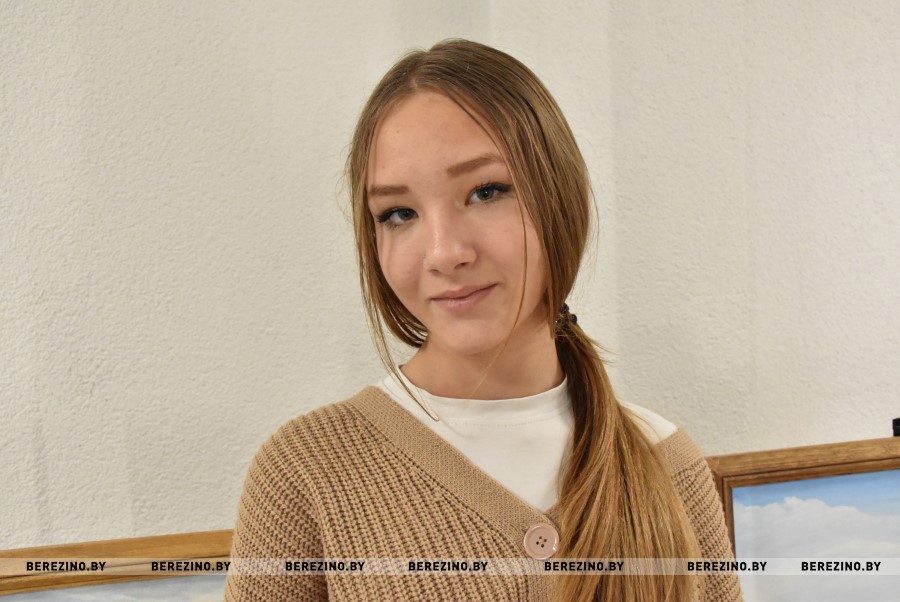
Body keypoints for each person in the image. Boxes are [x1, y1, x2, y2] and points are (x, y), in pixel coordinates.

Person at [225, 39, 742, 602]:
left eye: (486, 191)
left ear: (559, 198)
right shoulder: (307, 471)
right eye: (398, 213)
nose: (444, 253)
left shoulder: (665, 461)